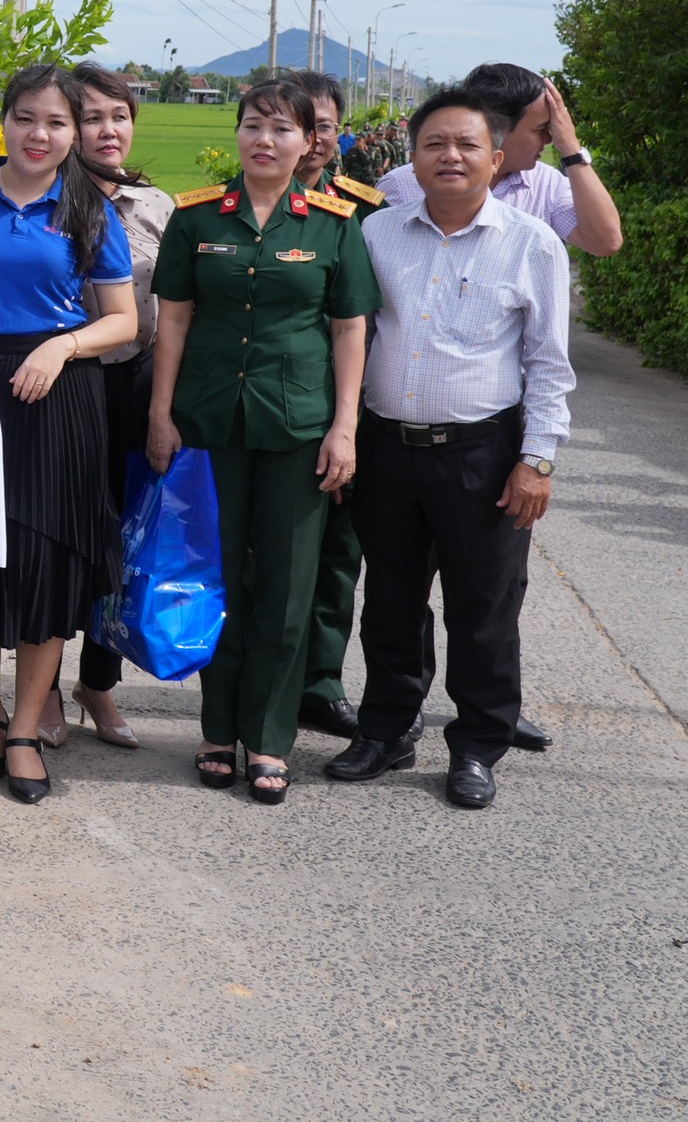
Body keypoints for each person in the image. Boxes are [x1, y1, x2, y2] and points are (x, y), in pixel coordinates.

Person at [326, 89, 574, 810]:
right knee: (390, 602)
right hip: (388, 449)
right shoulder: (377, 233)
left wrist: (537, 459)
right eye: (434, 144)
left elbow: (549, 363)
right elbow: (352, 334)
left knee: (484, 608)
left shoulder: (532, 244)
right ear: (412, 157)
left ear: (496, 159)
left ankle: (477, 747)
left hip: (484, 454)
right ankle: (386, 730)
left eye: (467, 145)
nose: (450, 157)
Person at [148, 77, 381, 806]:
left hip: (297, 427)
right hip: (209, 422)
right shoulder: (195, 217)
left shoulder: (334, 224)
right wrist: (161, 413)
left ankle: (271, 737)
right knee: (215, 579)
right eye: (253, 125)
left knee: (286, 588)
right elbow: (174, 319)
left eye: (282, 129)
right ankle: (217, 730)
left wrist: (345, 427)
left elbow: (350, 329)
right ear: (239, 132)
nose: (265, 140)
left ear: (310, 141)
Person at [0, 67, 139, 804]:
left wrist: (62, 346)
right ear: (2, 121)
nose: (40, 135)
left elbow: (122, 320)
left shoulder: (89, 208)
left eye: (57, 123)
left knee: (50, 560)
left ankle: (27, 728)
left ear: (75, 133)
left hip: (58, 390)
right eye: (26, 118)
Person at [46, 61, 173, 750]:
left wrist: (166, 407)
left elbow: (177, 314)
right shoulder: (45, 200)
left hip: (139, 386)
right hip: (67, 383)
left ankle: (97, 681)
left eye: (119, 116)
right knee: (64, 534)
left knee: (124, 540)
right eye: (91, 117)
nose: (107, 129)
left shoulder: (157, 206)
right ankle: (41, 687)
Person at [287, 71, 383, 741]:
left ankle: (320, 684)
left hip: (346, 405)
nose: (315, 139)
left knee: (338, 554)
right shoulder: (230, 204)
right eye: (303, 124)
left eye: (325, 126)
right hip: (265, 401)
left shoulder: (365, 212)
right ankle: (257, 686)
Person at [376, 63, 623, 257]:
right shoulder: (401, 187)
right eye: (540, 129)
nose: (550, 139)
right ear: (499, 130)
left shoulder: (544, 186)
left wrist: (572, 149)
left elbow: (606, 241)